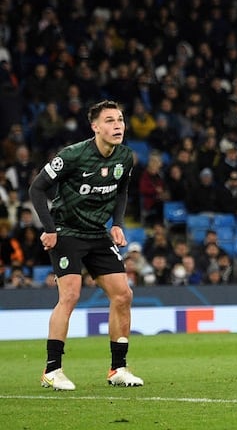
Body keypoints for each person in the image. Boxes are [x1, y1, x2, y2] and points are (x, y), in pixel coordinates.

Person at [29, 100, 144, 390]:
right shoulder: (72, 155)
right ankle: (52, 370)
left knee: (123, 295)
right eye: (109, 120)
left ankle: (118, 369)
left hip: (97, 234)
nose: (117, 125)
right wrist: (50, 229)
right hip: (67, 232)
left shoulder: (125, 158)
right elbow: (37, 187)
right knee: (70, 295)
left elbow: (121, 192)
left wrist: (117, 224)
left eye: (120, 119)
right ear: (95, 127)